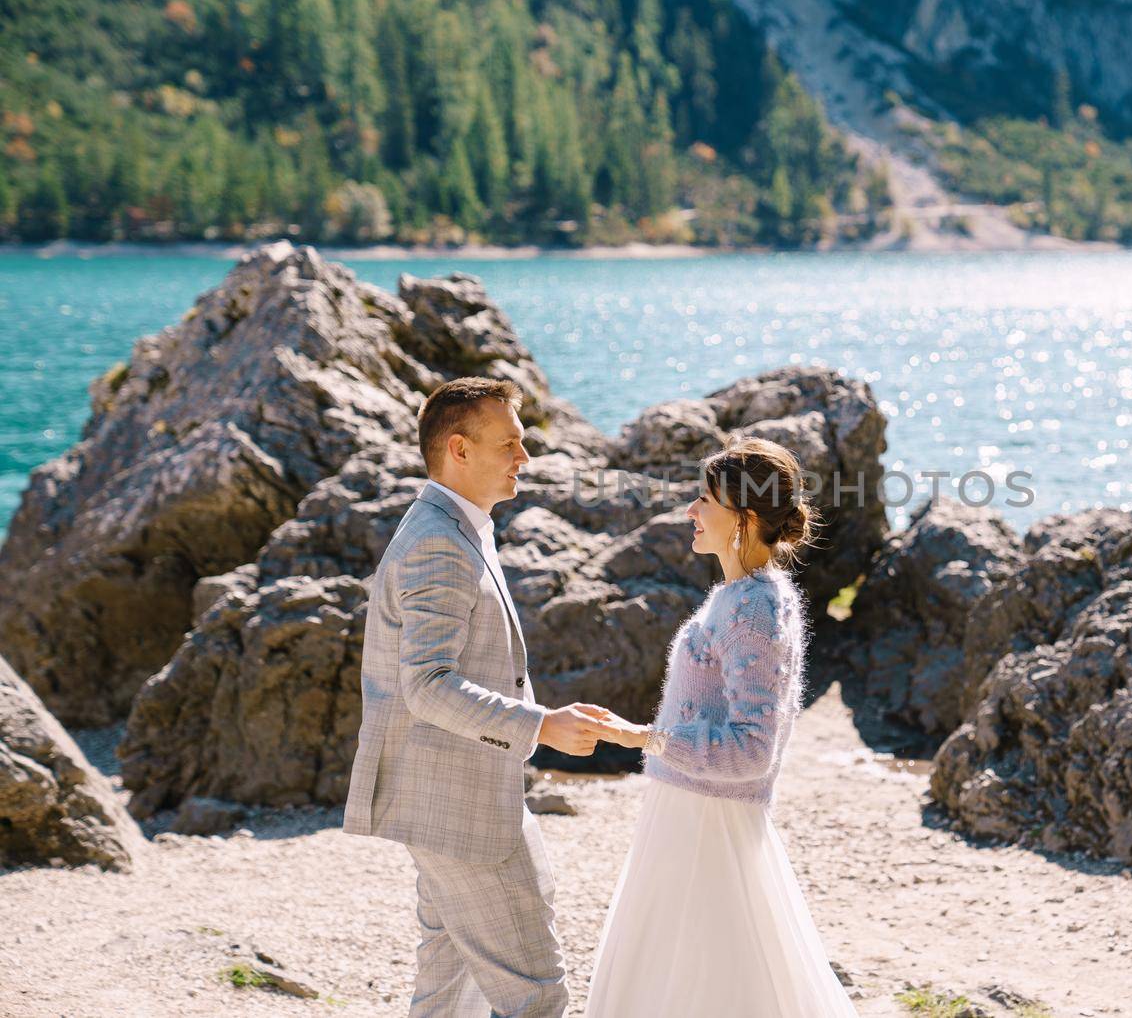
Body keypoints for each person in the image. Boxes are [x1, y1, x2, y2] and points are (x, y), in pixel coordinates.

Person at [344, 376, 616, 1018]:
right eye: (511, 444)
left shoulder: (455, 525)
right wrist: (542, 725)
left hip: (450, 795)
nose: (525, 458)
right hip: (457, 805)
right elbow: (429, 687)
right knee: (536, 995)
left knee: (450, 990)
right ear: (459, 450)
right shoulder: (439, 541)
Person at [583, 435, 860, 1018]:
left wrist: (642, 737)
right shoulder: (738, 597)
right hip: (690, 815)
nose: (691, 510)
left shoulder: (755, 608)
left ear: (745, 517)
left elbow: (752, 749)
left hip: (709, 829)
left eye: (705, 499)